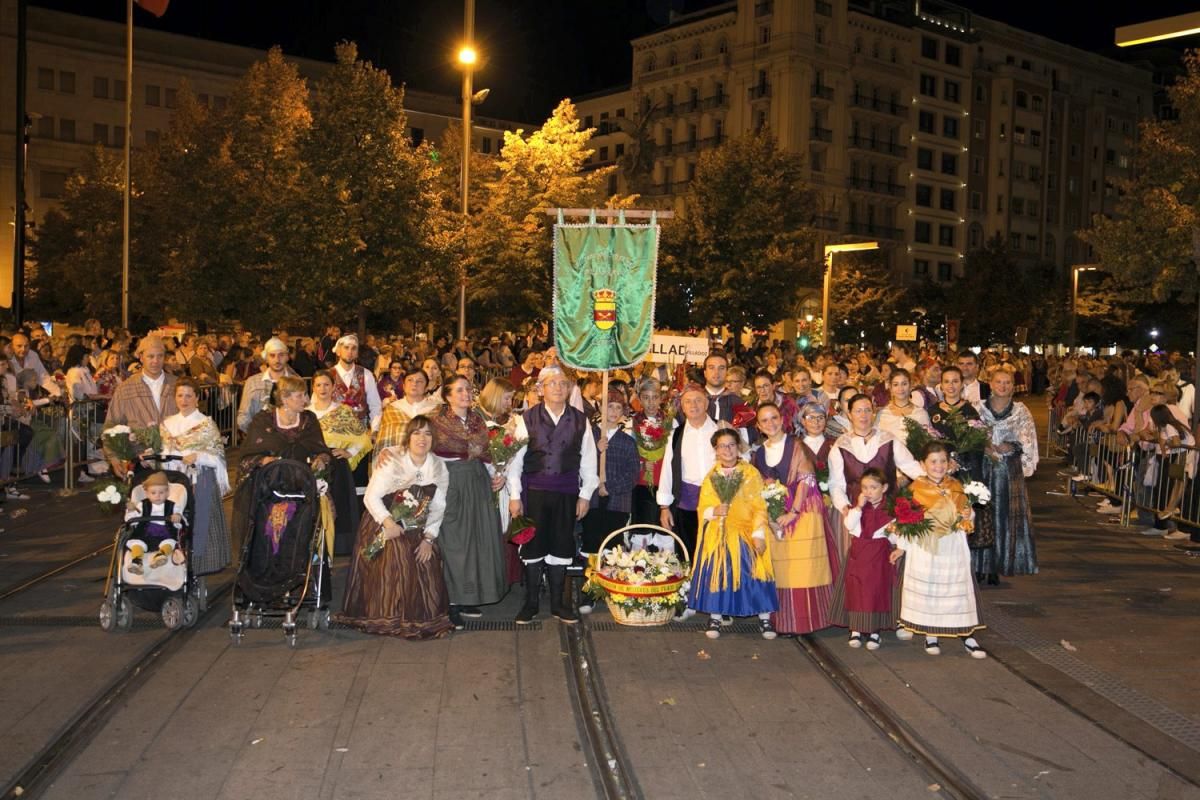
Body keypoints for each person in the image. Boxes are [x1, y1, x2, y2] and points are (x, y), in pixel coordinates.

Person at [337, 416, 455, 639]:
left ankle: (420, 616)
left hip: (417, 523)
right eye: (417, 433)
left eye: (428, 434)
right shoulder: (392, 459)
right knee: (398, 554)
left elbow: (439, 507)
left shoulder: (439, 467)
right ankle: (391, 616)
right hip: (383, 519)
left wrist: (428, 539)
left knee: (425, 559)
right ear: (408, 437)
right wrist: (388, 523)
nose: (422, 438)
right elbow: (371, 497)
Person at [506, 365, 598, 625]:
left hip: (567, 493)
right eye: (552, 384)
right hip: (534, 493)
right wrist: (515, 495)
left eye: (562, 384)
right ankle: (531, 603)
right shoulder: (527, 418)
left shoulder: (581, 421)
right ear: (541, 389)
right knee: (533, 546)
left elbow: (589, 461)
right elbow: (516, 461)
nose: (558, 388)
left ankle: (558, 604)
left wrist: (585, 495)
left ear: (570, 389)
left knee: (561, 545)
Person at [238, 376, 359, 555]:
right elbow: (248, 456)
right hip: (272, 487)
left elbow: (321, 449)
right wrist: (264, 461)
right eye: (300, 395)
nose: (306, 400)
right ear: (285, 398)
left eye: (305, 394)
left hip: (304, 485)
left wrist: (321, 459)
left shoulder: (308, 420)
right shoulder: (263, 421)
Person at [890, 442, 987, 658]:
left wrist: (968, 515)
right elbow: (905, 521)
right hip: (926, 547)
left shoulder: (956, 485)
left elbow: (967, 515)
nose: (939, 466)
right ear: (923, 464)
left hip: (952, 545)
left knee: (955, 588)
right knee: (930, 588)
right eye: (933, 461)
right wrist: (901, 547)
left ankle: (966, 633)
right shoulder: (915, 489)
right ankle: (930, 633)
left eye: (943, 461)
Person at [750, 403, 839, 635]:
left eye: (774, 418)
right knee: (783, 570)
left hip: (803, 510)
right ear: (758, 426)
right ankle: (785, 621)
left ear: (782, 419)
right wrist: (772, 514)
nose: (771, 423)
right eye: (765, 420)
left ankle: (808, 620)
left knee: (805, 567)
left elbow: (807, 479)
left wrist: (794, 512)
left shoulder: (796, 444)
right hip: (775, 514)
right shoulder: (758, 453)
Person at [430, 375, 508, 628]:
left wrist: (497, 477)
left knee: (477, 541)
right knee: (455, 543)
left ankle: (470, 595)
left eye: (468, 389)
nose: (466, 394)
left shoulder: (477, 420)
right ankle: (452, 601)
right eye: (460, 390)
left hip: (478, 483)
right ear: (448, 395)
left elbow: (485, 455)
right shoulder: (436, 421)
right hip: (452, 483)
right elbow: (427, 455)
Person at [692, 428, 778, 640]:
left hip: (744, 530)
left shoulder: (750, 473)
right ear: (716, 450)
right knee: (717, 569)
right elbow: (702, 507)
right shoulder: (712, 476)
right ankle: (716, 615)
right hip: (718, 531)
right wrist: (714, 511)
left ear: (738, 447)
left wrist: (758, 533)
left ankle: (764, 616)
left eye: (731, 445)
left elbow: (759, 506)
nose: (727, 450)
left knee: (752, 570)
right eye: (722, 446)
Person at [159, 377, 231, 577]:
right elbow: (164, 452)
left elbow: (218, 457)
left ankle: (200, 562)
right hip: (174, 479)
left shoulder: (206, 424)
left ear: (197, 399)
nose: (184, 400)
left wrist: (199, 457)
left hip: (200, 479)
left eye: (189, 396)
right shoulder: (168, 424)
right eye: (180, 395)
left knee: (201, 519)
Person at [974, 367, 1039, 583]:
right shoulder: (978, 409)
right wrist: (983, 445)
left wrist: (1011, 445)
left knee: (1004, 517)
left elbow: (1028, 440)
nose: (1003, 386)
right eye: (999, 382)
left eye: (1008, 382)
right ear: (991, 384)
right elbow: (969, 435)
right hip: (983, 470)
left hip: (1008, 471)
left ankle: (999, 564)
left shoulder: (1021, 411)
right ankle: (980, 565)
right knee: (983, 515)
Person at [578, 389, 638, 614]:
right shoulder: (590, 436)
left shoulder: (627, 442)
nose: (613, 412)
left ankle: (614, 589)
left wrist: (608, 487)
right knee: (592, 544)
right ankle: (590, 590)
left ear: (623, 412)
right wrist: (595, 449)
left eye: (617, 408)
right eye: (609, 407)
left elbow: (632, 474)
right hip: (592, 501)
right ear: (600, 409)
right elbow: (579, 464)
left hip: (616, 503)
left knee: (613, 546)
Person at [827, 468, 899, 649]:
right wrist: (858, 507)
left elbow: (895, 536)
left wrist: (894, 540)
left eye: (873, 487)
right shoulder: (858, 509)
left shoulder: (890, 510)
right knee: (856, 591)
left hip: (879, 555)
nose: (868, 492)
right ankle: (855, 630)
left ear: (884, 488)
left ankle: (874, 631)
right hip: (859, 553)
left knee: (876, 591)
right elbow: (849, 525)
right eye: (864, 488)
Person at [657, 383, 720, 564]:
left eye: (698, 400)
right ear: (682, 407)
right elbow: (667, 471)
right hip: (687, 503)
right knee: (689, 555)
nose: (693, 405)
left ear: (706, 403)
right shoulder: (675, 434)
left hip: (718, 501)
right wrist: (664, 507)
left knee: (716, 554)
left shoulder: (721, 428)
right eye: (688, 402)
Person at [105, 336, 178, 479]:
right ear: (140, 357)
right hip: (140, 461)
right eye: (150, 356)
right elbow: (112, 425)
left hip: (174, 459)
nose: (155, 361)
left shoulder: (177, 385)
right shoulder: (126, 389)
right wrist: (114, 458)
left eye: (160, 356)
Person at [629, 377, 673, 540]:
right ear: (639, 399)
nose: (651, 403)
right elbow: (629, 454)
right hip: (641, 482)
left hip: (664, 482)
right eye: (646, 398)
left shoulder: (670, 421)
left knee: (663, 530)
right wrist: (641, 464)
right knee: (642, 530)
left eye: (655, 397)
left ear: (661, 398)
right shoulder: (632, 423)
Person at [309, 370, 374, 473]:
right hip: (311, 464)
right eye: (318, 385)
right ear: (313, 388)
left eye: (326, 384)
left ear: (333, 386)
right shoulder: (306, 413)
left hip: (337, 465)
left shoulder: (344, 411)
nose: (322, 389)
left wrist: (350, 452)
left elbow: (363, 438)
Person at [124, 471, 184, 575]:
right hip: (144, 533)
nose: (158, 496)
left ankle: (161, 555)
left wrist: (177, 517)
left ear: (167, 493)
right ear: (147, 493)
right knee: (137, 544)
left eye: (161, 493)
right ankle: (137, 561)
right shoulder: (141, 505)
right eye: (153, 493)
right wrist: (131, 511)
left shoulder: (173, 506)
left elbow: (181, 522)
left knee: (170, 542)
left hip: (165, 533)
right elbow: (130, 521)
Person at [375, 368, 442, 459]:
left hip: (429, 463)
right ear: (404, 386)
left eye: (420, 381)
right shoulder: (391, 409)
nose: (414, 384)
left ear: (426, 388)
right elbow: (383, 442)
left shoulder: (436, 410)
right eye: (410, 380)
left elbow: (442, 440)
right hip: (397, 463)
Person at [236, 337, 296, 434]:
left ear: (287, 357)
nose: (277, 359)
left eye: (281, 355)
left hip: (288, 441)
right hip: (259, 439)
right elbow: (243, 416)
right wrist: (256, 435)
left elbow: (303, 411)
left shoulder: (296, 382)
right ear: (266, 358)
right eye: (272, 355)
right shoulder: (252, 382)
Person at [330, 335, 382, 432]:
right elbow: (316, 405)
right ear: (338, 351)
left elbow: (375, 406)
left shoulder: (366, 375)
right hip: (333, 432)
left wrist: (375, 430)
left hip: (360, 434)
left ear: (357, 353)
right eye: (346, 347)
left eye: (354, 348)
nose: (350, 352)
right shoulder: (327, 376)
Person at [875, 369, 931, 442]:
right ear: (890, 388)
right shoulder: (882, 414)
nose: (900, 388)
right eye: (896, 384)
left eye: (904, 384)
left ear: (911, 386)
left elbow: (927, 443)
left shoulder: (921, 413)